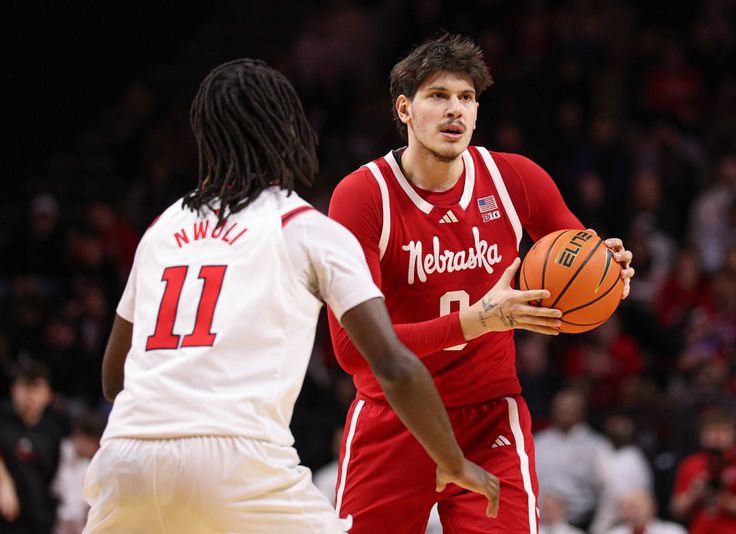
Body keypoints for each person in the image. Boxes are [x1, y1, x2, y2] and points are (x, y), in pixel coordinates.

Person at [83, 58, 499, 534]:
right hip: (237, 457)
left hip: (125, 457)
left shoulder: (161, 228)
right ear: (289, 130)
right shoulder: (304, 229)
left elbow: (114, 380)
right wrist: (452, 461)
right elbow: (395, 367)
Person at [327, 34, 634, 533]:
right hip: (392, 415)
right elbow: (351, 350)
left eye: (466, 98)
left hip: (488, 415)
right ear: (404, 109)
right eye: (438, 96)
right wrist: (474, 321)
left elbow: (579, 267)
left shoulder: (515, 179)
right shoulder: (363, 196)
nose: (455, 111)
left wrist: (612, 272)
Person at [670, 410, 736, 534]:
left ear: (735, 435)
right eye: (712, 431)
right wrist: (694, 493)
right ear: (701, 436)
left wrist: (721, 497)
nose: (717, 437)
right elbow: (676, 510)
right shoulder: (691, 464)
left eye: (724, 431)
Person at [0, 362, 64, 534]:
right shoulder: (3, 419)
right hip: (6, 519)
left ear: (48, 395)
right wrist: (4, 480)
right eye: (24, 387)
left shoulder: (53, 431)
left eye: (36, 389)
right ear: (13, 389)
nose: (30, 396)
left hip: (39, 520)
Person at [535, 388, 613, 529]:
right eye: (560, 408)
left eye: (570, 408)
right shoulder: (537, 443)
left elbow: (608, 490)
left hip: (581, 523)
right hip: (539, 523)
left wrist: (599, 527)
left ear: (582, 411)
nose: (564, 412)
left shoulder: (597, 446)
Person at [608, 489, 686, 534]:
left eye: (638, 507)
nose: (634, 512)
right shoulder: (615, 533)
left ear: (653, 507)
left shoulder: (673, 531)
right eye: (629, 508)